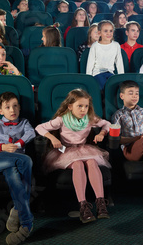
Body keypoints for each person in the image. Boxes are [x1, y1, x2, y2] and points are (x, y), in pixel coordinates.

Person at [35, 89, 111, 223]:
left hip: (84, 149)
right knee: (78, 164)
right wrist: (52, 137)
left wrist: (101, 134)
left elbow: (107, 124)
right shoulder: (61, 120)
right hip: (66, 151)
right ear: (70, 107)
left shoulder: (89, 118)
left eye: (86, 106)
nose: (83, 110)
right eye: (80, 106)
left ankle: (100, 203)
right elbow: (39, 128)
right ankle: (83, 205)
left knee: (92, 162)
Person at [0, 92, 36, 244]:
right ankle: (27, 220)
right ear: (1, 111)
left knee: (14, 172)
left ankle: (20, 214)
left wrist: (18, 144)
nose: (12, 110)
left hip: (15, 161)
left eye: (15, 106)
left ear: (19, 108)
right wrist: (3, 147)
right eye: (7, 107)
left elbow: (31, 133)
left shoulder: (24, 123)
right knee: (26, 160)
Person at [86, 20, 124, 89]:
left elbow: (119, 62)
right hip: (97, 74)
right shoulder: (95, 46)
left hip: (110, 74)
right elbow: (90, 63)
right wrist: (89, 79)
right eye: (106, 31)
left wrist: (121, 78)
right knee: (104, 86)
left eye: (111, 31)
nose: (108, 33)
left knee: (114, 86)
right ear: (99, 33)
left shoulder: (116, 45)